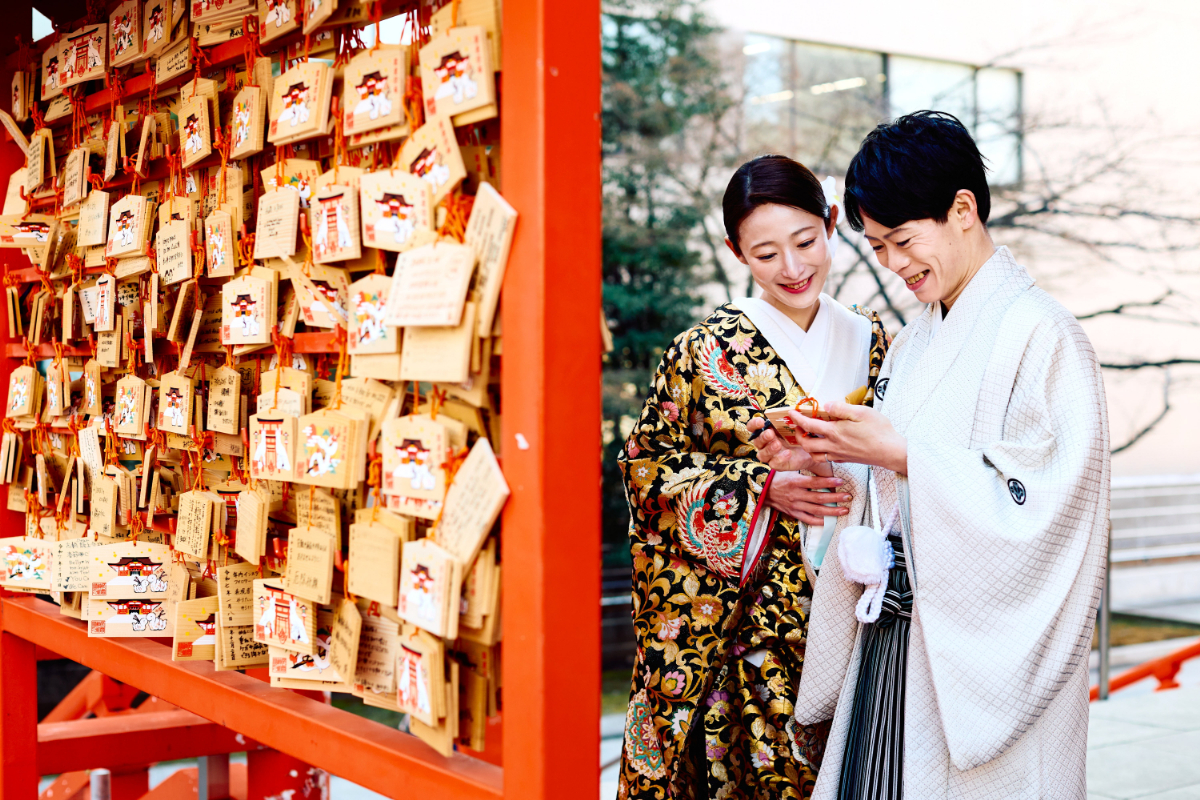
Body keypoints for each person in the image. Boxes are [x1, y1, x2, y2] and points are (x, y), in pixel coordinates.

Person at [750, 111, 1110, 800]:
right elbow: (887, 488)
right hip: (895, 642)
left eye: (902, 240)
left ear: (963, 210)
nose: (891, 263)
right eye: (877, 246)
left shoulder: (1044, 334)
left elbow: (1052, 510)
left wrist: (905, 452)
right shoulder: (917, 341)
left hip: (980, 662)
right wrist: (827, 459)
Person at [617, 155, 889, 800]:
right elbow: (646, 472)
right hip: (749, 630)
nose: (793, 270)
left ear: (830, 225)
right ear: (739, 254)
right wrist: (758, 488)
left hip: (858, 604)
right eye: (766, 254)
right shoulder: (702, 351)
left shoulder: (876, 340)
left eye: (805, 242)